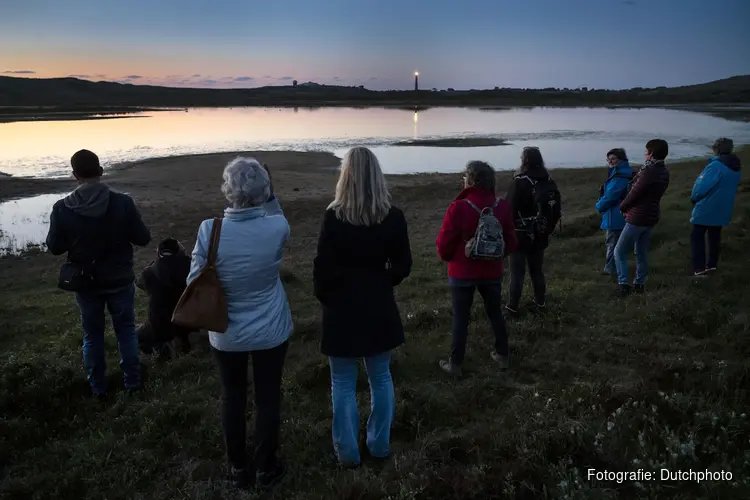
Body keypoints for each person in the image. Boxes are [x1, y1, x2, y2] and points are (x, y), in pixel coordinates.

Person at [187, 158, 291, 490]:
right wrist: (269, 191)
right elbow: (276, 211)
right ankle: (267, 467)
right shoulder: (277, 228)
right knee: (268, 397)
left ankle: (237, 467)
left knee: (232, 397)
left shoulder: (210, 230)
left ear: (228, 191)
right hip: (271, 330)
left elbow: (194, 280)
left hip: (226, 333)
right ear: (265, 190)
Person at [313, 147, 412, 468]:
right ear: (377, 175)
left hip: (342, 308)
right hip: (378, 305)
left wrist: (331, 299)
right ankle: (379, 446)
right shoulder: (392, 216)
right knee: (380, 378)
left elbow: (322, 271)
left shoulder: (334, 216)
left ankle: (347, 453)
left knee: (342, 383)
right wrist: (382, 282)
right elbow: (403, 265)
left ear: (347, 175)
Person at [45, 149, 151, 399]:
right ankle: (133, 384)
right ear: (101, 172)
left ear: (74, 175)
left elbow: (54, 247)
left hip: (85, 282)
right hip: (120, 278)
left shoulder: (62, 208)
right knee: (125, 330)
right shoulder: (122, 202)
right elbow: (143, 238)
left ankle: (98, 388)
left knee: (92, 335)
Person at [436, 160, 517, 376]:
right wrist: (498, 257)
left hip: (462, 272)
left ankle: (455, 364)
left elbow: (444, 243)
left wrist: (449, 258)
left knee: (461, 317)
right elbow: (511, 241)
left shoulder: (459, 207)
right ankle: (503, 355)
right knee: (495, 313)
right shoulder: (501, 206)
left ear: (471, 180)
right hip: (492, 271)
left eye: (465, 177)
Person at [505, 146, 559, 315]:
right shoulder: (548, 180)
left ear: (524, 160)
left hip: (520, 233)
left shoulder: (519, 181)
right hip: (541, 233)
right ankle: (540, 304)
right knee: (537, 270)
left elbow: (508, 209)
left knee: (517, 273)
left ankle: (512, 308)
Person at [615, 139, 670, 295]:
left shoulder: (649, 171)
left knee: (619, 252)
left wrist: (622, 206)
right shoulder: (663, 170)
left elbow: (635, 193)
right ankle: (639, 284)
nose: (644, 153)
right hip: (651, 216)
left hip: (638, 217)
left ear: (651, 153)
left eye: (646, 150)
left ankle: (623, 285)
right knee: (641, 252)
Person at [690, 138, 742, 277]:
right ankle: (712, 266)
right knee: (715, 236)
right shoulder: (735, 167)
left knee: (697, 236)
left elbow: (701, 187)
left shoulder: (715, 166)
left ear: (717, 149)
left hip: (707, 207)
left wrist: (694, 197)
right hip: (723, 207)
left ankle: (699, 269)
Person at [136, 237, 193, 358]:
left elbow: (139, 283)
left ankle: (165, 349)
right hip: (188, 321)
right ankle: (181, 341)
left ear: (159, 253)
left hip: (160, 324)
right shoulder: (192, 268)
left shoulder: (149, 272)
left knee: (134, 337)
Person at [596, 149, 633, 276]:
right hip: (620, 214)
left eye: (613, 159)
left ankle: (611, 270)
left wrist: (599, 205)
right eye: (608, 159)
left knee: (612, 243)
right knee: (615, 243)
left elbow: (611, 196)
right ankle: (613, 268)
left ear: (621, 159)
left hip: (615, 215)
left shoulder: (620, 177)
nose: (610, 162)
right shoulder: (623, 172)